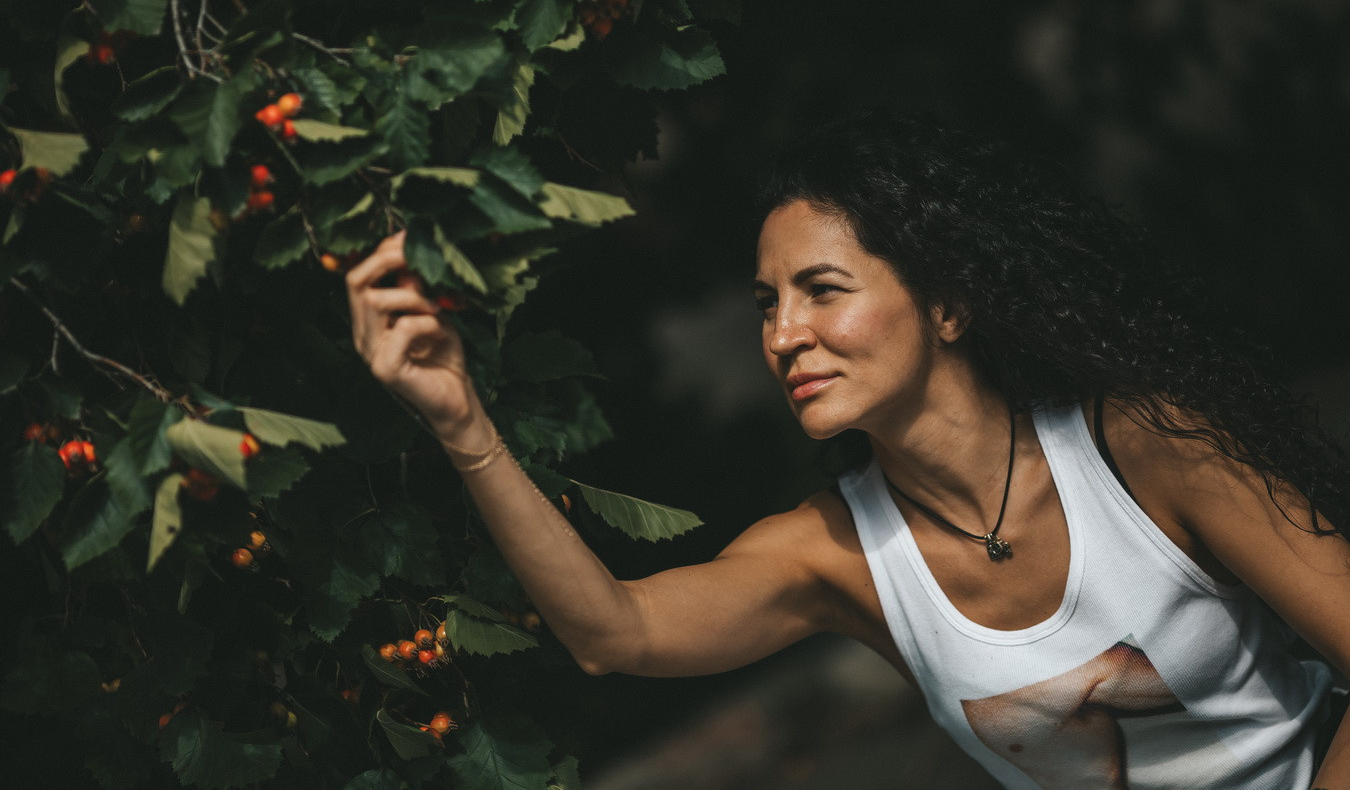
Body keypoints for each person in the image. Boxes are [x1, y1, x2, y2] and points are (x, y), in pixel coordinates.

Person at [346, 113, 1350, 788]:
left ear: (948, 303)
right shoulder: (835, 558)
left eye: (823, 291)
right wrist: (462, 424)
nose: (783, 335)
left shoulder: (1141, 445)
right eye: (767, 306)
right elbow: (617, 635)